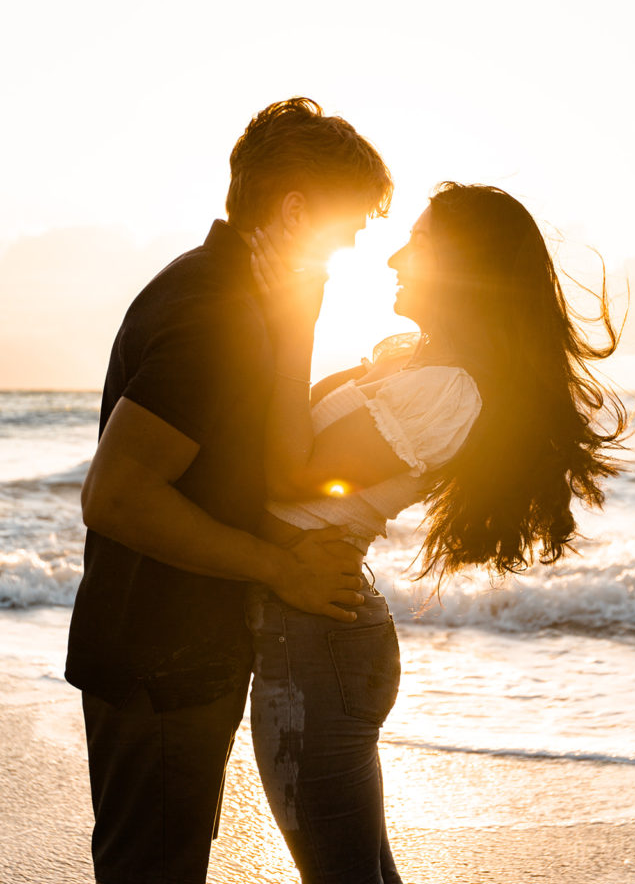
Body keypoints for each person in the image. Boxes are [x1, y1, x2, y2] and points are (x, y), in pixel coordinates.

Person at [247, 181, 628, 884]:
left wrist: (294, 314)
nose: (394, 255)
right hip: (312, 628)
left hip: (319, 640)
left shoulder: (450, 390)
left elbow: (293, 471)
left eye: (417, 243)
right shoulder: (412, 364)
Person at [65, 97, 393, 884]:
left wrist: (300, 315)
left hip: (167, 652)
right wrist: (278, 568)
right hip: (158, 662)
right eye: (347, 225)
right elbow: (115, 496)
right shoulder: (215, 315)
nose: (351, 245)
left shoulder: (231, 297)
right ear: (294, 209)